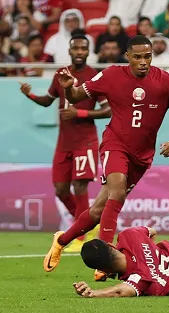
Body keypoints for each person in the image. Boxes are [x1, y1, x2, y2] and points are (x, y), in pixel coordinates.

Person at [43, 35, 169, 282]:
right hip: (115, 144)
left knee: (98, 210)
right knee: (117, 193)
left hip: (142, 156)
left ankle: (61, 240)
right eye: (138, 57)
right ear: (128, 57)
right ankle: (105, 259)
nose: (143, 62)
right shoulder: (111, 75)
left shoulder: (166, 82)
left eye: (147, 56)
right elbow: (79, 95)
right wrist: (69, 87)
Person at [20, 34, 111, 252]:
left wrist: (79, 112)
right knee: (61, 189)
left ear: (89, 52)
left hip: (85, 141)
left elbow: (108, 110)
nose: (79, 52)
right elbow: (48, 100)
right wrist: (30, 95)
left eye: (83, 48)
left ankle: (80, 237)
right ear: (69, 51)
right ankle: (84, 224)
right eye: (76, 48)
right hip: (64, 143)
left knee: (79, 185)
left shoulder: (94, 76)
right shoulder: (61, 74)